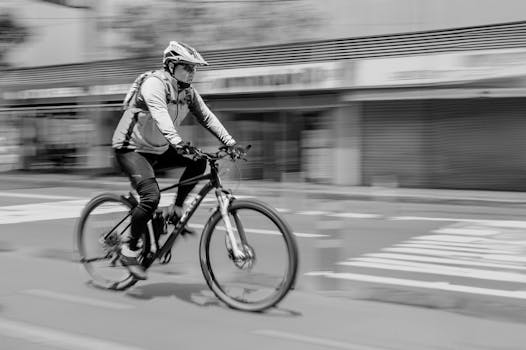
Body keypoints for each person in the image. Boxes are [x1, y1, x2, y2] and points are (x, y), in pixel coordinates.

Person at [112, 41, 245, 280]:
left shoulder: (187, 93)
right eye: (187, 67)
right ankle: (128, 249)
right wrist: (178, 142)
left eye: (194, 69)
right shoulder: (155, 84)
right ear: (171, 66)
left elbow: (207, 117)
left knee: (199, 161)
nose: (192, 73)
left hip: (160, 148)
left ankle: (176, 208)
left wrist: (230, 142)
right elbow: (161, 115)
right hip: (131, 147)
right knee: (151, 197)